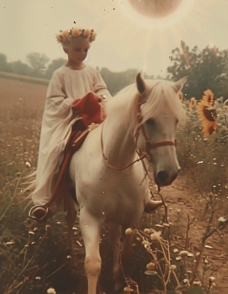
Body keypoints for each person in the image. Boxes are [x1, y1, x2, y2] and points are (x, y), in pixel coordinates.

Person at [29, 27, 161, 221]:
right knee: (58, 150)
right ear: (66, 49)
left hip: (97, 117)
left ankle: (145, 195)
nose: (82, 54)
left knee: (129, 144)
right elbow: (54, 102)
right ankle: (47, 201)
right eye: (77, 50)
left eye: (85, 50)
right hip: (72, 120)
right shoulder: (60, 75)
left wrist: (102, 98)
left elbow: (102, 89)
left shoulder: (91, 71)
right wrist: (78, 102)